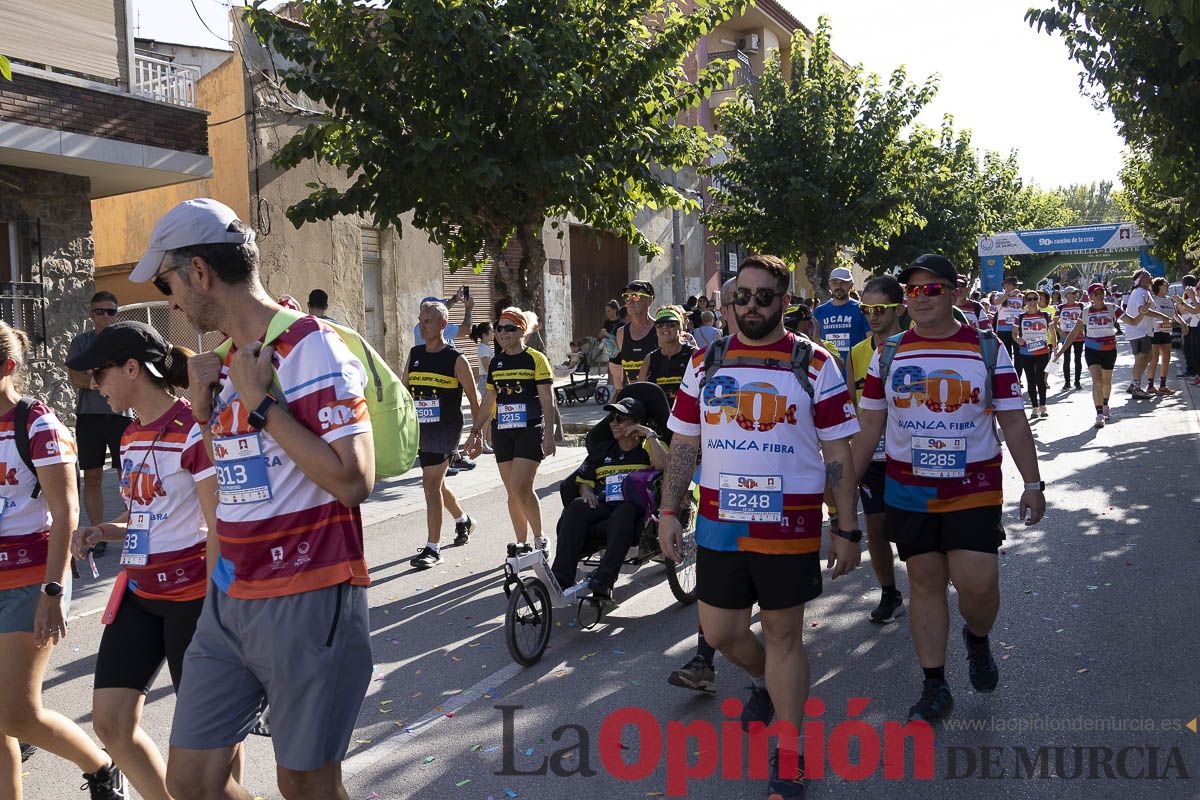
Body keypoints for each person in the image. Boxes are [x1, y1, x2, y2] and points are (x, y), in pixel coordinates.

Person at [135, 197, 374, 800]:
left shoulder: (310, 347)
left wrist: (261, 403)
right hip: (230, 598)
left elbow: (354, 480)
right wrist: (206, 415)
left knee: (306, 784)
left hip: (309, 593)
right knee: (190, 782)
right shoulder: (217, 365)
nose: (171, 302)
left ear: (199, 272)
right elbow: (245, 481)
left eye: (168, 283)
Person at [658, 255, 862, 799]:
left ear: (784, 302)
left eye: (763, 296)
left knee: (783, 636)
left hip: (788, 527)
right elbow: (683, 442)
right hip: (721, 527)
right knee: (722, 633)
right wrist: (669, 510)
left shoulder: (815, 364)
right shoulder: (705, 362)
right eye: (740, 297)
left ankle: (789, 755)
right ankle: (762, 684)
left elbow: (838, 451)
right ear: (728, 304)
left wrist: (847, 525)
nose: (750, 306)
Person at [851, 253, 1045, 726]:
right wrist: (839, 490)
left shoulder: (986, 348)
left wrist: (1034, 483)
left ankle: (976, 639)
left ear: (954, 293)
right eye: (912, 291)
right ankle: (934, 685)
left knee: (978, 584)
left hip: (973, 488)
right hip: (909, 490)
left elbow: (1014, 421)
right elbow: (869, 424)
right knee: (925, 583)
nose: (919, 299)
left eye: (930, 289)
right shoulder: (888, 352)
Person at [67, 322, 246, 799]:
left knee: (211, 757)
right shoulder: (129, 436)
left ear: (132, 368)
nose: (94, 383)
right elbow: (144, 513)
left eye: (100, 373)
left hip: (193, 598)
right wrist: (102, 530)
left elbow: (218, 524)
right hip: (141, 593)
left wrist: (218, 611)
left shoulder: (193, 430)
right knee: (110, 723)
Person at [551, 396, 669, 600]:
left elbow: (662, 466)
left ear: (636, 422)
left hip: (635, 511)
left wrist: (649, 434)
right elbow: (584, 480)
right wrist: (586, 492)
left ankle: (604, 581)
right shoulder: (602, 450)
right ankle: (560, 579)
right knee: (577, 507)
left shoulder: (648, 446)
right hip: (604, 504)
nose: (613, 423)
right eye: (612, 417)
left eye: (620, 418)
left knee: (624, 511)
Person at [464, 308, 556, 556]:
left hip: (529, 429)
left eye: (509, 328)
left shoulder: (536, 359)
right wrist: (474, 431)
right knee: (512, 491)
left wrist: (549, 433)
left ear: (521, 331)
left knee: (521, 486)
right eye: (500, 328)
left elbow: (548, 399)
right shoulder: (496, 362)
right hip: (503, 431)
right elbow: (489, 400)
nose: (503, 333)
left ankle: (540, 538)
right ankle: (522, 543)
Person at [405, 301, 480, 569]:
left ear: (442, 326)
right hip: (422, 430)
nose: (422, 325)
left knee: (429, 485)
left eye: (428, 321)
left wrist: (476, 433)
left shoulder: (455, 359)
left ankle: (433, 548)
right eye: (421, 320)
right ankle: (463, 520)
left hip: (446, 429)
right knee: (436, 484)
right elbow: (405, 392)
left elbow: (474, 398)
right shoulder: (414, 353)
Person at [849, 276, 905, 624]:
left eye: (879, 309)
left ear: (899, 308)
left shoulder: (913, 346)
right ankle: (889, 592)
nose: (872, 316)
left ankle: (927, 583)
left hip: (908, 456)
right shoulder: (857, 353)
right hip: (872, 456)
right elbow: (849, 405)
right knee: (877, 528)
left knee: (911, 530)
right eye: (866, 309)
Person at [67, 291, 134, 558]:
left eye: (111, 311)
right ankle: (98, 533)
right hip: (89, 417)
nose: (105, 316)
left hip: (121, 416)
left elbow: (129, 375)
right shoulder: (81, 342)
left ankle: (132, 528)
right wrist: (102, 381)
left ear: (117, 314)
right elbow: (75, 377)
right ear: (91, 314)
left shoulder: (123, 341)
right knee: (92, 477)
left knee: (125, 476)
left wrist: (94, 379)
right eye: (99, 311)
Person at [1054, 283, 1118, 428]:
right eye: (1096, 294)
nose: (1099, 296)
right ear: (1090, 297)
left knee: (1107, 382)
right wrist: (1060, 351)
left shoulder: (1112, 308)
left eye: (1101, 292)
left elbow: (1132, 321)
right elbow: (1074, 333)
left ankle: (1105, 404)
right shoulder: (1086, 312)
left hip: (1109, 349)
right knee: (1097, 381)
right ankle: (1099, 414)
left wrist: (1144, 312)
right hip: (1092, 349)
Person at [1121, 269, 1173, 398]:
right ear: (1141, 279)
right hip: (1140, 331)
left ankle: (1134, 384)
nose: (1151, 278)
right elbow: (1143, 310)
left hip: (1142, 331)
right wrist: (1162, 316)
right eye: (1148, 276)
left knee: (1144, 358)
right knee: (1144, 357)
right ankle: (1136, 387)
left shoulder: (1143, 292)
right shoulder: (1141, 292)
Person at [812, 266, 869, 372]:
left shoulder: (861, 309)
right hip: (827, 371)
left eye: (843, 283)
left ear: (851, 285)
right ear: (829, 284)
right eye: (835, 282)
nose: (838, 286)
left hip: (856, 370)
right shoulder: (819, 312)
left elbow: (871, 340)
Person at [639, 307, 696, 404]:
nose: (664, 328)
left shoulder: (694, 354)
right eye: (659, 325)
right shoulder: (650, 358)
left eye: (670, 324)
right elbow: (639, 391)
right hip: (659, 415)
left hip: (686, 414)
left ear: (680, 327)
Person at [1013, 291, 1056, 419]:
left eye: (1035, 299)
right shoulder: (1020, 316)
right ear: (1025, 301)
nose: (1032, 302)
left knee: (1041, 380)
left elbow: (1052, 332)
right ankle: (1034, 408)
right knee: (1030, 380)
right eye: (1029, 299)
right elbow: (1014, 333)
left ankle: (1043, 406)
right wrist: (1017, 339)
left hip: (1042, 351)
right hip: (1026, 352)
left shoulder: (1045, 315)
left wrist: (1055, 347)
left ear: (1038, 300)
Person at [610, 281, 657, 391]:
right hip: (633, 398)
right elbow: (616, 367)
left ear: (649, 300)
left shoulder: (660, 330)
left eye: (635, 296)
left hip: (656, 397)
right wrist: (619, 393)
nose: (629, 301)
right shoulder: (621, 333)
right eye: (626, 297)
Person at [1144, 278, 1179, 395]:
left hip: (1166, 331)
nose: (1167, 286)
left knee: (1166, 359)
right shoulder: (1153, 299)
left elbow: (1175, 316)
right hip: (1154, 331)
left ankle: (1163, 385)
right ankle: (1150, 385)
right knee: (1154, 359)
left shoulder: (1169, 300)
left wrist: (1183, 324)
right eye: (1165, 284)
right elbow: (1147, 313)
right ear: (1158, 286)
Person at [469, 322, 495, 454]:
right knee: (486, 413)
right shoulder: (483, 348)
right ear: (485, 334)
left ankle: (489, 442)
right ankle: (483, 442)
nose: (494, 333)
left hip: (489, 380)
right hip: (486, 380)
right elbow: (487, 367)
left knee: (490, 414)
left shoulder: (486, 347)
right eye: (491, 331)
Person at [1056, 287, 1086, 390]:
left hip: (1079, 336)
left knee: (1078, 359)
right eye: (1072, 293)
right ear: (1066, 295)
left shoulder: (1081, 306)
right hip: (1066, 336)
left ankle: (1077, 382)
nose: (1074, 295)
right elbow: (1054, 323)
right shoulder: (1060, 307)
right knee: (1066, 360)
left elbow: (1085, 320)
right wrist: (1059, 331)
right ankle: (1067, 382)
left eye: (1075, 293)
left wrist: (1083, 329)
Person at [991, 275, 1025, 365]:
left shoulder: (1022, 296)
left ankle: (1018, 376)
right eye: (1012, 285)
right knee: (1006, 355)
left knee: (1019, 355)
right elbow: (996, 302)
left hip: (1018, 329)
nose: (1015, 287)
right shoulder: (1000, 295)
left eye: (1015, 285)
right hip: (1003, 330)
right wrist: (1009, 294)